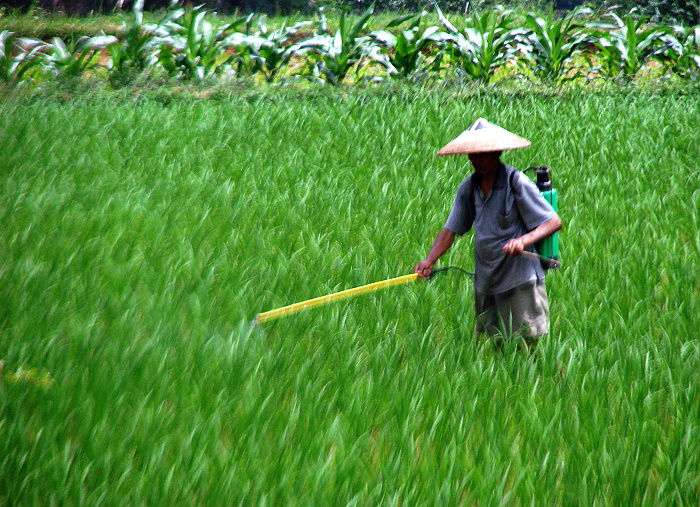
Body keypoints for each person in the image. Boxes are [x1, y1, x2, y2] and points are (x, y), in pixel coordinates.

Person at [414, 118, 562, 351]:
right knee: (499, 347)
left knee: (530, 347)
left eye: (481, 154)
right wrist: (429, 261)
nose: (475, 160)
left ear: (497, 152)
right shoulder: (469, 187)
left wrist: (523, 240)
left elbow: (553, 222)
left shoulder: (517, 182)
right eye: (471, 155)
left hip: (520, 280)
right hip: (488, 282)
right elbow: (450, 229)